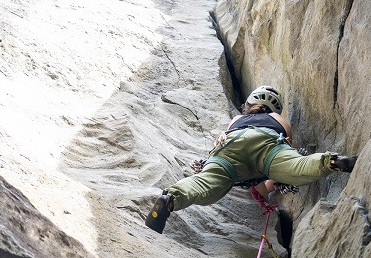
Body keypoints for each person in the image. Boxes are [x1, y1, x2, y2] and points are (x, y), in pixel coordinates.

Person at [145, 85, 357, 233]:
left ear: (248, 105)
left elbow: (252, 177)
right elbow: (275, 170)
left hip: (229, 148)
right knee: (297, 167)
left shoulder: (237, 119)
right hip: (267, 144)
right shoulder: (278, 119)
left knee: (206, 184)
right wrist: (270, 191)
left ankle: (170, 199)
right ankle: (332, 162)